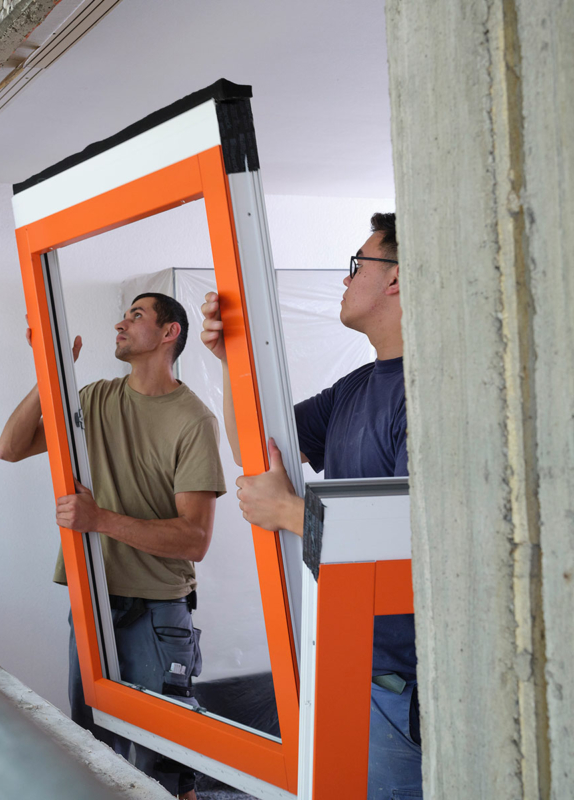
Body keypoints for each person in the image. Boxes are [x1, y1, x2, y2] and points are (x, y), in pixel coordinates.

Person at [200, 213, 421, 800]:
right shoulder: (356, 387)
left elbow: (421, 542)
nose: (345, 281)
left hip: (404, 683)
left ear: (396, 279)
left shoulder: (428, 391)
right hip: (347, 658)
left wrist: (291, 513)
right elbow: (259, 449)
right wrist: (232, 360)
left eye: (358, 265)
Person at [0, 292, 226, 799]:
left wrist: (99, 518)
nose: (120, 323)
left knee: (165, 770)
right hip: (93, 602)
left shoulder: (194, 421)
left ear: (169, 334)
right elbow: (9, 448)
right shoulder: (96, 399)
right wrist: (51, 371)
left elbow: (195, 538)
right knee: (93, 754)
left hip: (158, 616)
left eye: (136, 315)